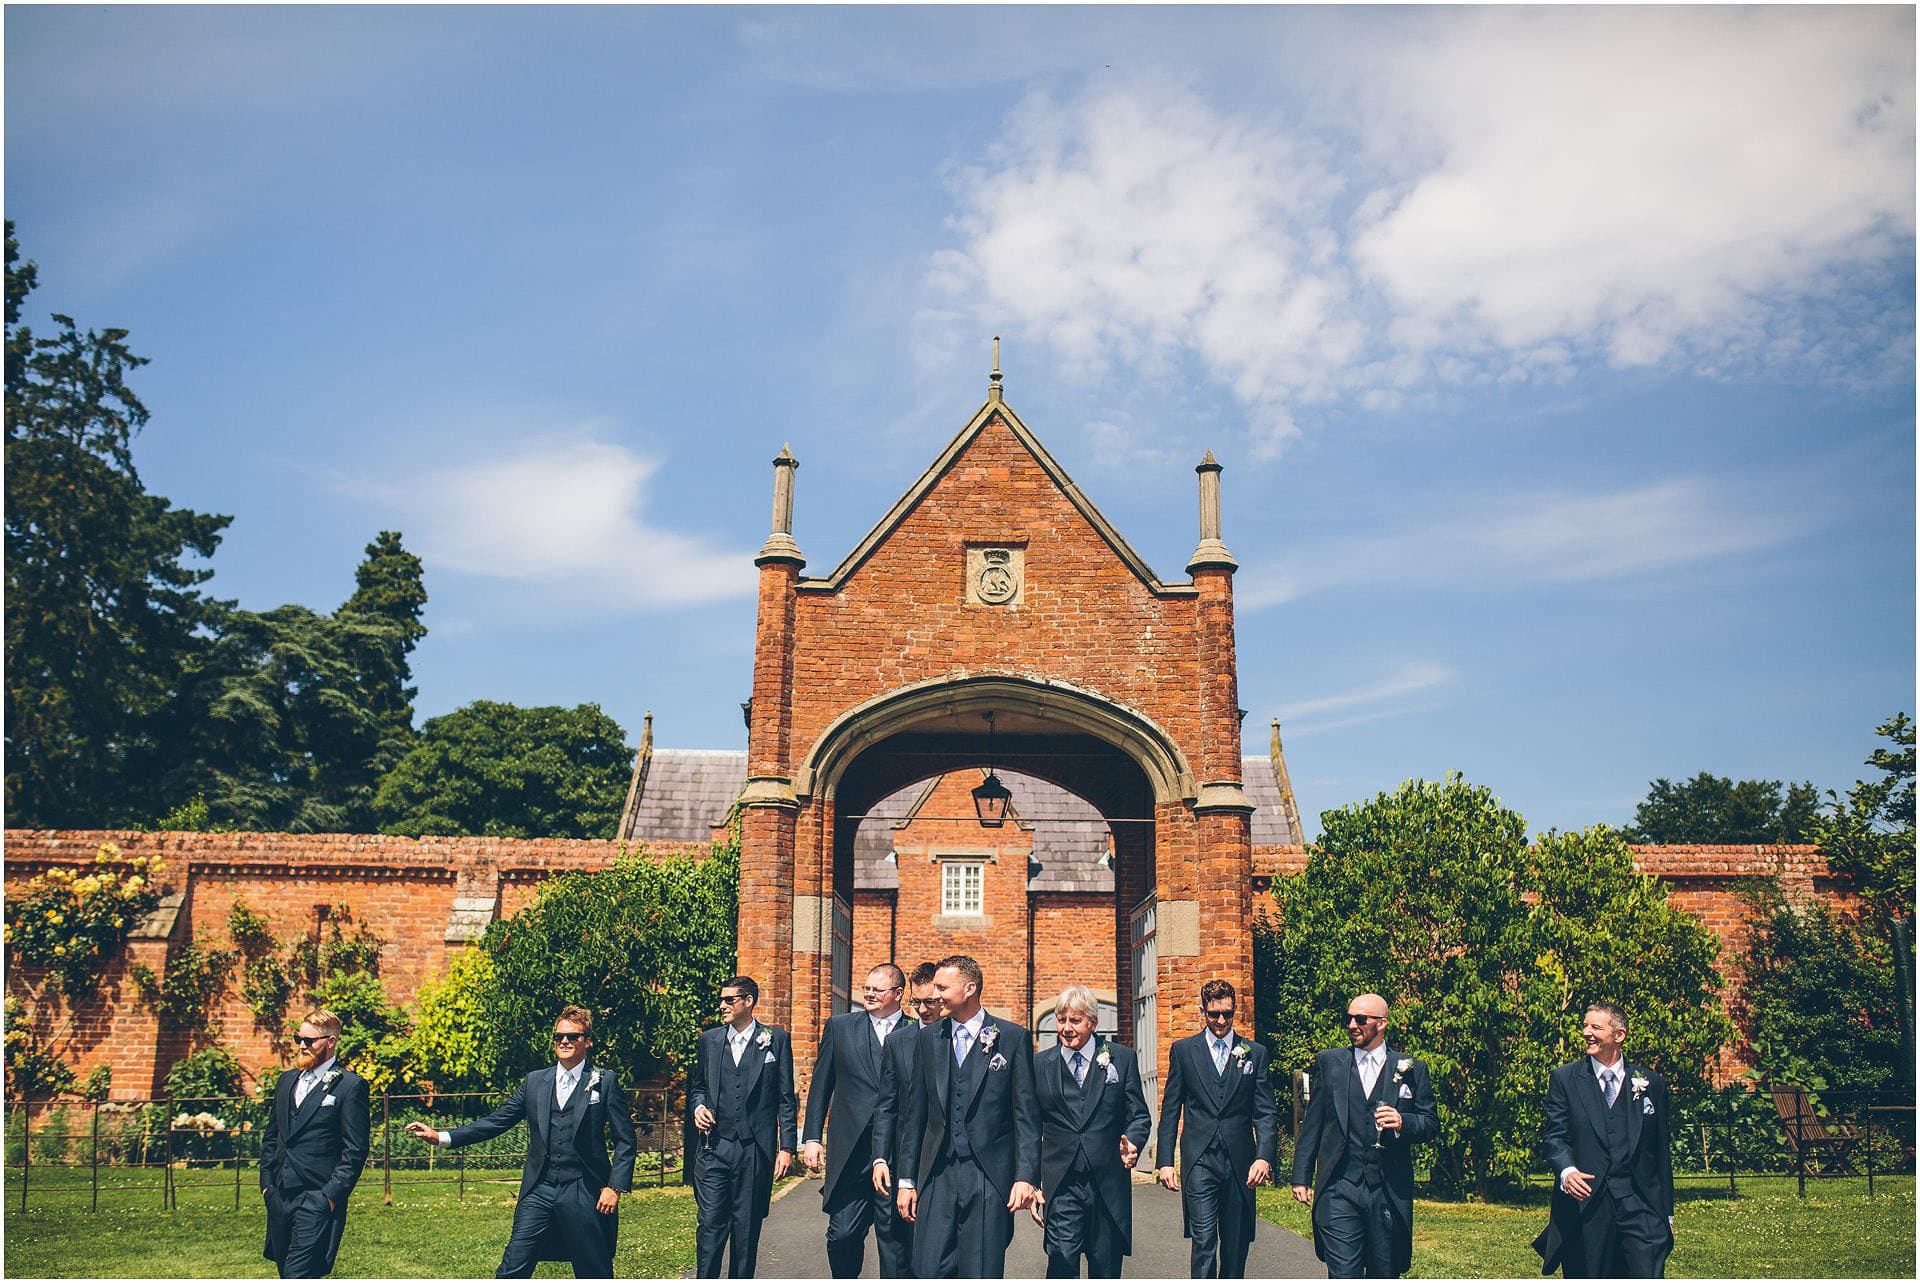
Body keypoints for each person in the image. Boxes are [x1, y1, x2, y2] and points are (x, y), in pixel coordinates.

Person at [404, 1005, 636, 1278]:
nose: (564, 1041)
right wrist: (442, 1136)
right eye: (558, 1036)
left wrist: (614, 1187)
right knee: (513, 1265)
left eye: (572, 1036)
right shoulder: (535, 1081)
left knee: (593, 1270)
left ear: (587, 1041)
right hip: (540, 1189)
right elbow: (496, 1121)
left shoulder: (603, 1081)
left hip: (583, 1188)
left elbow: (626, 1140)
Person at [892, 954, 1041, 1279]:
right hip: (937, 1174)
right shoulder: (928, 1038)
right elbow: (914, 1114)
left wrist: (1026, 1177)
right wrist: (906, 1180)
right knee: (927, 1268)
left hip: (988, 1175)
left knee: (981, 1270)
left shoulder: (1012, 1038)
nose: (937, 994)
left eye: (943, 987)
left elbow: (1026, 1116)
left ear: (970, 988)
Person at [1289, 993, 1438, 1278]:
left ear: (1381, 1024)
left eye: (1360, 1019)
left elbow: (1430, 1123)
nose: (1352, 1025)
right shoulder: (1331, 1062)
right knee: (1344, 1273)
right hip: (1340, 1186)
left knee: (1384, 1272)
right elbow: (1314, 1122)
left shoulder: (1411, 1068)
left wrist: (1402, 1122)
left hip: (1387, 1188)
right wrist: (1301, 1176)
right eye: (1349, 1018)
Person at [1533, 1003, 1675, 1278]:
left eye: (1595, 1027)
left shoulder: (1651, 1083)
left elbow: (1661, 1151)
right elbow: (1555, 1136)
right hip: (1588, 1206)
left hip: (1640, 1205)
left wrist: (1665, 1213)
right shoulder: (1565, 1079)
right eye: (1585, 1025)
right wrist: (1567, 1170)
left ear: (1619, 1035)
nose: (1586, 1032)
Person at [1155, 979, 1277, 1279]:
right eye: (1214, 1014)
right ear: (1203, 1011)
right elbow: (1171, 1108)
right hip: (1199, 1160)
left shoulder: (1254, 1053)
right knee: (1204, 1239)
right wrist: (1166, 1161)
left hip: (1240, 1161)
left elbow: (1265, 1111)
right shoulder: (1184, 1051)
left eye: (1227, 1014)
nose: (1221, 1021)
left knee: (1236, 1244)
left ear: (1235, 1010)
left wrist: (1264, 1156)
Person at [1029, 985, 1152, 1279]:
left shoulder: (1121, 1059)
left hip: (1107, 1184)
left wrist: (1133, 1141)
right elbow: (1030, 1127)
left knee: (1105, 1266)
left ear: (1093, 1023)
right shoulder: (1039, 1065)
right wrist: (1032, 1182)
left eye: (1075, 1021)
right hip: (1061, 1184)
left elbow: (1139, 1116)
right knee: (1061, 1261)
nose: (1066, 1028)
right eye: (1061, 1020)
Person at [804, 963, 913, 1277]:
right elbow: (821, 1084)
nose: (869, 994)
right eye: (867, 988)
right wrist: (812, 1137)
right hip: (850, 1153)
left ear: (898, 994)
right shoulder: (840, 1027)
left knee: (895, 1242)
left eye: (878, 990)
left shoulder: (916, 1031)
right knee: (843, 1235)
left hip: (894, 1152)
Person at [689, 975, 798, 1278]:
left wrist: (787, 1147)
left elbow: (786, 1098)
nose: (722, 1005)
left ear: (748, 1001)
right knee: (710, 1223)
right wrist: (698, 1107)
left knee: (746, 1227)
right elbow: (697, 1087)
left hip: (754, 1149)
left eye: (729, 1000)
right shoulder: (709, 1040)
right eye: (721, 999)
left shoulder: (775, 1039)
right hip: (714, 1147)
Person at [260, 1009, 370, 1278]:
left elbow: (355, 1150)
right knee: (286, 1270)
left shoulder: (349, 1086)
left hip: (317, 1198)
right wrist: (266, 1186)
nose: (301, 1046)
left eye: (310, 1041)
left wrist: (329, 1197)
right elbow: (271, 1136)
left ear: (331, 1042)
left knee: (298, 1275)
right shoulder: (286, 1081)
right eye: (299, 1039)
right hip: (280, 1196)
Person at [870, 960, 943, 1274]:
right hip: (902, 1158)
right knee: (896, 1247)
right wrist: (880, 1158)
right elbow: (886, 1106)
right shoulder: (898, 1042)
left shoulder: (957, 1041)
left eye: (930, 1002)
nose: (923, 1009)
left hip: (942, 1161)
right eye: (917, 1002)